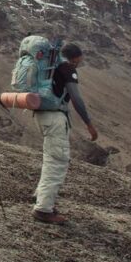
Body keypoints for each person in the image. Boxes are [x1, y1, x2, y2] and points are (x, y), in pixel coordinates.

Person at [32, 43, 98, 224]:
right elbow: (76, 98)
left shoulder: (49, 68)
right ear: (76, 57)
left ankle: (41, 196)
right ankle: (43, 210)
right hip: (55, 117)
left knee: (50, 156)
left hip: (41, 114)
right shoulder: (68, 68)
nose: (80, 61)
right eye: (80, 59)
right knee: (57, 161)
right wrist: (89, 124)